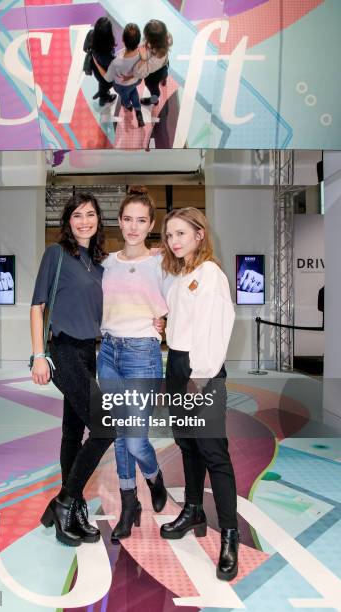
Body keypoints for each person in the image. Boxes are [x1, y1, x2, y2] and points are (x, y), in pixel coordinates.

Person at [159, 207, 239, 582]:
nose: (175, 241)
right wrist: (165, 324)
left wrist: (201, 376)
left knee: (213, 452)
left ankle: (230, 537)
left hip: (199, 372)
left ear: (199, 235)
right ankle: (193, 510)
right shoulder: (181, 277)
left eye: (181, 233)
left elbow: (216, 330)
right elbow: (183, 326)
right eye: (170, 235)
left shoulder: (210, 275)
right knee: (187, 446)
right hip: (176, 368)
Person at [30, 193, 114, 546]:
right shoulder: (57, 254)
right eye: (77, 215)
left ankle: (72, 507)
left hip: (88, 352)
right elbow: (37, 306)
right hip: (63, 350)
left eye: (90, 214)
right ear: (68, 221)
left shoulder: (100, 264)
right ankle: (66, 500)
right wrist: (38, 355)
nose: (84, 221)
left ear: (98, 220)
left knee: (71, 432)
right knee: (106, 426)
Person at [97, 186, 168, 541]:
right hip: (108, 352)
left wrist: (165, 323)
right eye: (128, 219)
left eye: (141, 220)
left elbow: (185, 300)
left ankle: (154, 477)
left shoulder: (161, 262)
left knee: (136, 440)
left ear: (151, 223)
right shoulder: (106, 263)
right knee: (119, 437)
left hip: (142, 354)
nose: (134, 226)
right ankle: (129, 505)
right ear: (119, 222)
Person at [94, 23, 145, 128]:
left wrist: (97, 63)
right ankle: (138, 111)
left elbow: (107, 78)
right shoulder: (142, 54)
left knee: (125, 97)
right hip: (134, 81)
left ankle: (128, 106)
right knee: (134, 92)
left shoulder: (116, 62)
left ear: (122, 39)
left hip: (121, 86)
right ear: (139, 40)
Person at [132, 19, 173, 107]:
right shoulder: (167, 38)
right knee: (164, 74)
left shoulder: (152, 59)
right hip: (164, 66)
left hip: (153, 76)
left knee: (154, 90)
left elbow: (138, 73)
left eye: (146, 36)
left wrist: (143, 59)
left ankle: (154, 100)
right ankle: (164, 80)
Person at [83, 17, 117, 107]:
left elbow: (85, 48)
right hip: (104, 73)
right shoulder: (108, 55)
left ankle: (102, 93)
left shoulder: (91, 34)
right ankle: (103, 98)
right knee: (105, 84)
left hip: (95, 67)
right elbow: (110, 75)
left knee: (102, 84)